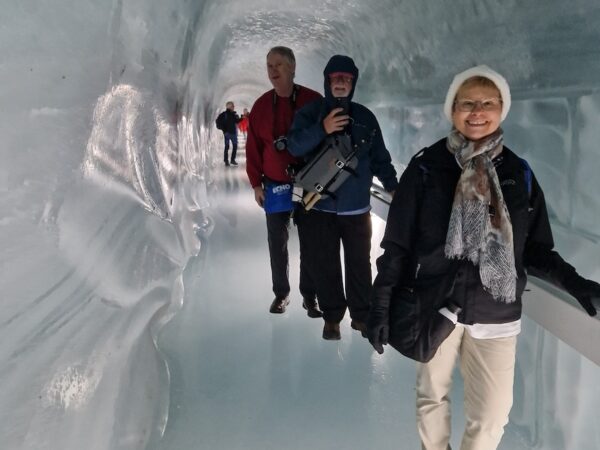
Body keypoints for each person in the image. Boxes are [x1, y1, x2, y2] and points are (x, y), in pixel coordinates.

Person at [367, 65, 600, 450]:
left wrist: (575, 283)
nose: (478, 111)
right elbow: (397, 246)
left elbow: (536, 249)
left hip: (495, 309)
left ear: (502, 108)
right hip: (433, 301)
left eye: (488, 102)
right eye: (468, 103)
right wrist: (380, 306)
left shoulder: (517, 172)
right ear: (452, 109)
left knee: (493, 414)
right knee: (432, 397)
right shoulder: (426, 167)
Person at [287, 55, 398, 340]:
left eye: (346, 79)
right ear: (327, 81)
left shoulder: (365, 118)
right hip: (319, 206)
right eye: (335, 78)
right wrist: (322, 129)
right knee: (326, 263)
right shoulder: (311, 114)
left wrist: (392, 185)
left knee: (360, 263)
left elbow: (380, 157)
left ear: (353, 83)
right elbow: (295, 146)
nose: (340, 82)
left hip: (356, 208)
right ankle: (332, 316)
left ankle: (361, 315)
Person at [245, 46, 323, 317]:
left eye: (278, 64)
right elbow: (253, 147)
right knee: (276, 243)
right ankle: (281, 294)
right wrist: (256, 183)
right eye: (269, 65)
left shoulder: (313, 101)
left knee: (311, 242)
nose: (272, 70)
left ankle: (309, 296)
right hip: (275, 185)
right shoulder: (261, 106)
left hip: (308, 185)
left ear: (292, 67)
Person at [216, 101, 241, 166]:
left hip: (231, 133)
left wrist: (242, 118)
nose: (234, 107)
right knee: (230, 147)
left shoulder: (232, 114)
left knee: (231, 147)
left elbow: (237, 121)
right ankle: (228, 160)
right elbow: (218, 123)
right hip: (229, 134)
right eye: (233, 106)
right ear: (229, 107)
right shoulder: (224, 114)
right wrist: (224, 130)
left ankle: (230, 160)